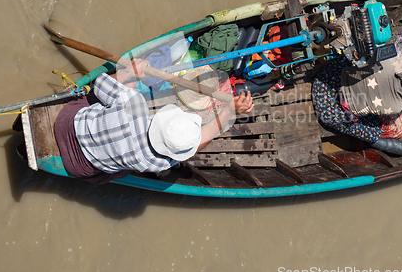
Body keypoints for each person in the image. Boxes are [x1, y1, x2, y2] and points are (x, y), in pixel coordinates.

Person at [54, 59, 254, 184]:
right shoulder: (159, 162)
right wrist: (228, 112)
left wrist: (131, 73)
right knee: (123, 172)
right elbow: (206, 135)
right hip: (79, 168)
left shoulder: (133, 105)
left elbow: (101, 84)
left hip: (65, 123)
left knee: (105, 95)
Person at [312, 57, 402, 156]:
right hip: (328, 111)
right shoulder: (396, 107)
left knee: (348, 61)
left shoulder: (385, 63)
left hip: (325, 82)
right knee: (374, 133)